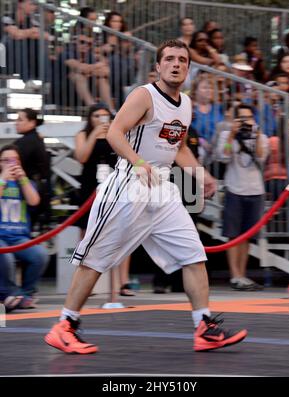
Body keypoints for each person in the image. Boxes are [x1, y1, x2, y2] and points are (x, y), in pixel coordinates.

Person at [44, 39, 247, 354]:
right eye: (169, 59)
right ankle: (64, 324)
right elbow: (114, 132)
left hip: (162, 188)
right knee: (95, 258)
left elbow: (178, 147)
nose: (176, 64)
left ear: (189, 68)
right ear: (158, 65)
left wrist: (200, 173)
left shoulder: (187, 103)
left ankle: (203, 326)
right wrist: (138, 163)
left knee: (194, 254)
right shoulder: (144, 95)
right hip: (128, 185)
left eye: (182, 59)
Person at [74, 103, 134, 296]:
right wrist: (95, 134)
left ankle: (123, 282)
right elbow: (81, 156)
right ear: (90, 118)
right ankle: (85, 283)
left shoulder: (117, 134)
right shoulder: (83, 134)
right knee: (87, 233)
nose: (101, 119)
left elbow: (125, 155)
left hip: (114, 185)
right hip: (90, 186)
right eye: (97, 116)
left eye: (105, 116)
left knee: (123, 232)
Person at [217, 104, 269, 291]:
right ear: (235, 120)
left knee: (247, 236)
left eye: (249, 118)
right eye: (242, 118)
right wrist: (232, 135)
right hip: (234, 188)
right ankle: (234, 275)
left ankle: (243, 274)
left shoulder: (260, 136)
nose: (246, 122)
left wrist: (256, 137)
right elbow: (223, 156)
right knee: (233, 234)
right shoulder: (226, 135)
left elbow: (262, 157)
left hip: (255, 189)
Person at [0, 145, 48, 312]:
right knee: (6, 258)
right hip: (1, 237)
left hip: (20, 237)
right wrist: (3, 179)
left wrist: (23, 179)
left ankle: (25, 294)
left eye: (14, 160)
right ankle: (9, 293)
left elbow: (34, 201)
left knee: (40, 255)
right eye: (5, 160)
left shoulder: (25, 182)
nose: (10, 164)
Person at [14, 108, 51, 230]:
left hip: (29, 191)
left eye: (20, 119)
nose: (16, 122)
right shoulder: (36, 139)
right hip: (39, 191)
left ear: (32, 123)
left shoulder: (26, 142)